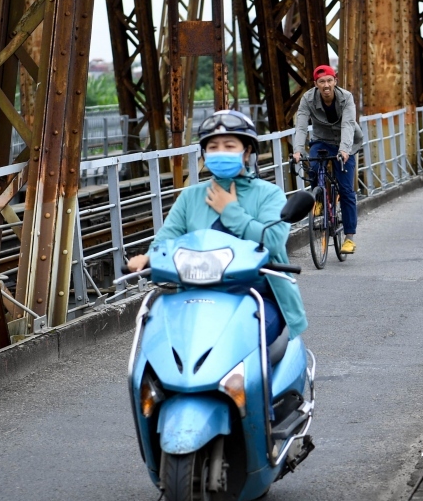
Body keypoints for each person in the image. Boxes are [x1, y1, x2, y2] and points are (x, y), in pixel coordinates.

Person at [127, 110, 307, 343]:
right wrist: (149, 257)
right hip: (195, 296)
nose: (220, 152)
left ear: (247, 152)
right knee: (160, 339)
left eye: (229, 146)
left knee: (241, 345)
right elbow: (167, 238)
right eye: (213, 147)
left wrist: (231, 211)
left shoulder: (268, 194)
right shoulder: (190, 197)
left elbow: (272, 241)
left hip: (258, 296)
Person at [291, 65, 364, 255]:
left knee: (346, 189)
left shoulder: (346, 97)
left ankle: (349, 238)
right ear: (316, 84)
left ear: (335, 81)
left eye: (329, 81)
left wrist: (344, 150)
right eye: (321, 82)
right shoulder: (308, 98)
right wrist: (298, 150)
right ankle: (320, 200)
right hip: (322, 141)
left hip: (345, 142)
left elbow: (348, 125)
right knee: (313, 167)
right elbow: (300, 126)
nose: (326, 85)